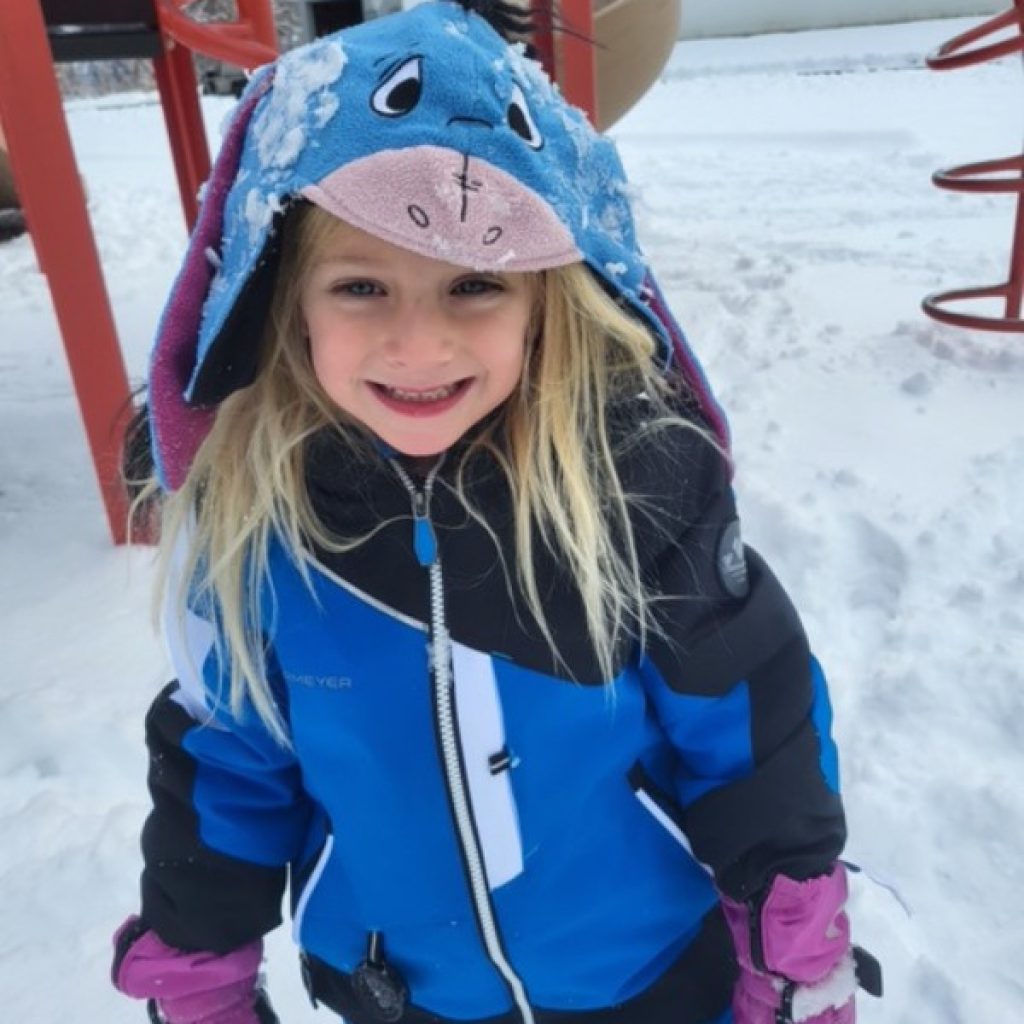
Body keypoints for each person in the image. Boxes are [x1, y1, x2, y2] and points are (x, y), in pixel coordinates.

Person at [111, 3, 881, 1024]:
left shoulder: (632, 493)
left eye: (475, 282)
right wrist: (200, 963)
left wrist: (792, 932)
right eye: (361, 285)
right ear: (285, 298)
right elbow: (233, 761)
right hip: (403, 995)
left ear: (545, 298)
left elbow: (748, 729)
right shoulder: (264, 537)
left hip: (649, 979)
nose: (417, 344)